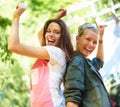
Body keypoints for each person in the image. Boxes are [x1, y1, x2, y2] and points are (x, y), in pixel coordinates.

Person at [8, 3, 74, 107]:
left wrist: (16, 17)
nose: (51, 34)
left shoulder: (56, 53)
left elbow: (13, 46)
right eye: (49, 31)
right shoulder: (48, 54)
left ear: (63, 37)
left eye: (56, 32)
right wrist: (57, 17)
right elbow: (40, 33)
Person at [64, 22, 112, 107]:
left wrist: (101, 37)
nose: (91, 45)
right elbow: (72, 98)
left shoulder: (86, 63)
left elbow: (99, 61)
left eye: (94, 42)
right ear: (77, 38)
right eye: (88, 39)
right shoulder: (77, 62)